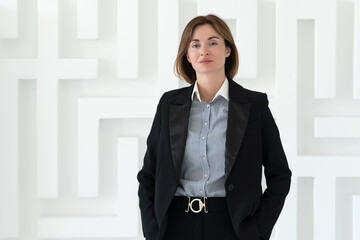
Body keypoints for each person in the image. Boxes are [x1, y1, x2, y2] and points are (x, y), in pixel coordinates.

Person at [137, 14, 291, 240]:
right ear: (188, 55)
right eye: (195, 45)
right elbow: (148, 175)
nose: (204, 51)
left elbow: (279, 175)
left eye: (213, 42)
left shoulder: (254, 106)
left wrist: (257, 230)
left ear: (227, 50)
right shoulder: (169, 105)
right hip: (175, 225)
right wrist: (153, 229)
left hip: (232, 226)